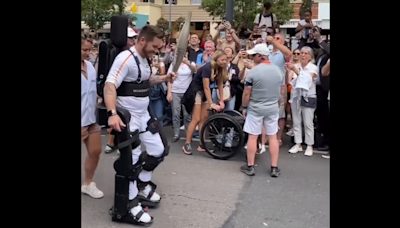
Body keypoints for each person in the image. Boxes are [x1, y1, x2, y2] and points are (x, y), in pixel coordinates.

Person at [104, 25, 176, 225]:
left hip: (144, 115)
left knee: (159, 150)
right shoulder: (125, 59)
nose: (157, 50)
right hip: (129, 119)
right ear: (142, 40)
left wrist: (165, 78)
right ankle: (129, 204)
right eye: (155, 46)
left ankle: (142, 183)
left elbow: (145, 81)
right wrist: (112, 114)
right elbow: (110, 86)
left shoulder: (145, 59)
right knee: (131, 161)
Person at [241, 43, 283, 177]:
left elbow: (247, 93)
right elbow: (280, 90)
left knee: (253, 136)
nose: (252, 58)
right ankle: (274, 167)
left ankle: (250, 166)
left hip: (256, 108)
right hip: (272, 108)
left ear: (260, 56)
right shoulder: (278, 71)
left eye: (254, 55)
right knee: (272, 137)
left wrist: (244, 106)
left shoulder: (253, 72)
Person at [182, 50, 228, 155]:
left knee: (204, 118)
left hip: (205, 92)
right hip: (196, 91)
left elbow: (220, 85)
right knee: (196, 119)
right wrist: (212, 103)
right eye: (222, 60)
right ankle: (187, 143)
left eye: (226, 60)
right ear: (216, 59)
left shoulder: (220, 69)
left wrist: (221, 100)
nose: (224, 62)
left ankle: (202, 144)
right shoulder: (207, 68)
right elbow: (206, 87)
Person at [105, 27, 137, 154]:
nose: (133, 40)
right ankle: (111, 142)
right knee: (114, 117)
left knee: (128, 121)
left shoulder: (134, 55)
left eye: (134, 38)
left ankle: (123, 144)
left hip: (128, 93)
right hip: (115, 91)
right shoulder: (115, 53)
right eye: (130, 38)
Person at [81, 36, 104, 198]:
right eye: (84, 50)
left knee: (95, 151)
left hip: (90, 119)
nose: (88, 53)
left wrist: (99, 97)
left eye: (90, 49)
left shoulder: (89, 65)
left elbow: (92, 88)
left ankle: (88, 184)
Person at [287, 46, 318, 156]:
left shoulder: (313, 67)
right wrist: (290, 71)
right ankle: (298, 143)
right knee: (296, 121)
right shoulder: (296, 66)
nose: (303, 55)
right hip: (296, 96)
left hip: (308, 96)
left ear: (310, 56)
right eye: (301, 53)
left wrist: (296, 71)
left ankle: (309, 145)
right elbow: (289, 80)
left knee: (308, 122)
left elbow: (308, 79)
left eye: (305, 53)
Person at [167, 51, 196, 142]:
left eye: (184, 54)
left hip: (186, 93)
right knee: (176, 114)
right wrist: (169, 92)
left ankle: (188, 134)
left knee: (187, 115)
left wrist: (187, 62)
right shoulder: (174, 64)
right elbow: (169, 79)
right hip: (175, 91)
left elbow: (195, 70)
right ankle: (176, 134)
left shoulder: (191, 63)